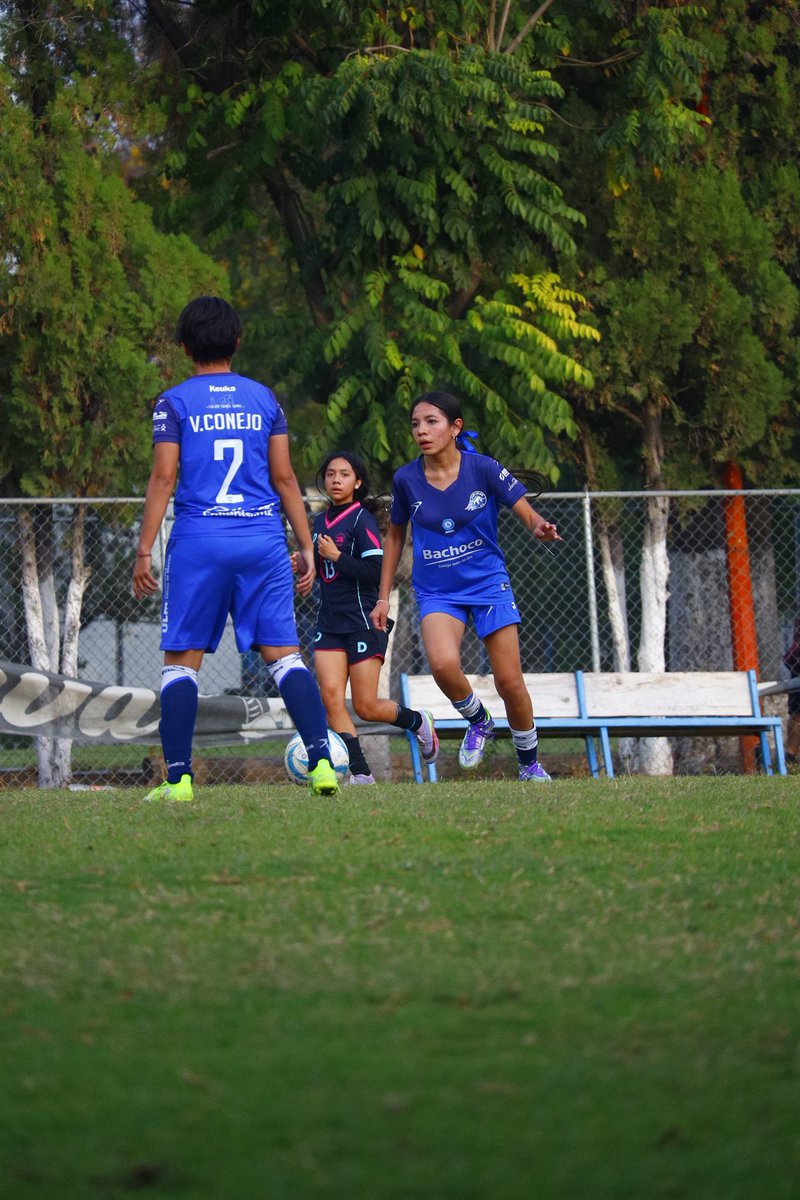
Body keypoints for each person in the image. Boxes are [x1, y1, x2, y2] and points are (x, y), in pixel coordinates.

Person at [132, 295, 340, 799]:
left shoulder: (174, 402)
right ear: (238, 341)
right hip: (261, 539)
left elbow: (163, 479)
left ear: (184, 346)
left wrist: (143, 551)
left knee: (180, 665)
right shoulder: (265, 399)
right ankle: (323, 766)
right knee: (285, 657)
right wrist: (307, 544)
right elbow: (285, 477)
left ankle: (179, 780)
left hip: (200, 542)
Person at [370, 391, 561, 783]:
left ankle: (529, 765)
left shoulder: (484, 468)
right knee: (442, 664)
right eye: (415, 424)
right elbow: (393, 538)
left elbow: (525, 510)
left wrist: (538, 526)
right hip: (436, 589)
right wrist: (382, 597)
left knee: (509, 681)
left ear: (455, 427)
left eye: (432, 422)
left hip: (488, 583)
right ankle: (479, 719)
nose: (421, 430)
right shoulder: (406, 479)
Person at [308, 450, 438, 784]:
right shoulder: (319, 522)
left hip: (363, 622)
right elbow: (327, 572)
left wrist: (336, 555)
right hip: (329, 624)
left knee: (366, 706)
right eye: (331, 474)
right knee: (331, 699)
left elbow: (375, 570)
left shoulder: (360, 519)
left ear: (358, 482)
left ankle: (418, 722)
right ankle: (361, 773)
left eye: (345, 474)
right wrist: (306, 569)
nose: (336, 480)